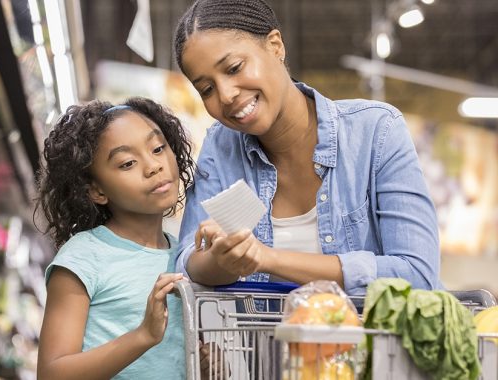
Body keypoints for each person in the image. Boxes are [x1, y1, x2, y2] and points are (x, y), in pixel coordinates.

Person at [172, 0, 442, 296]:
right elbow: (187, 265)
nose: (225, 95)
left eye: (234, 68)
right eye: (206, 89)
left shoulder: (376, 131)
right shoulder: (220, 146)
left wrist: (267, 258)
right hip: (261, 343)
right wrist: (220, 259)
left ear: (275, 46)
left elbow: (416, 274)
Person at [35, 97, 196, 379]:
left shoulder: (184, 255)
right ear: (97, 191)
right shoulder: (84, 256)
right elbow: (52, 373)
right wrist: (143, 336)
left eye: (158, 148)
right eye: (127, 163)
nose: (153, 166)